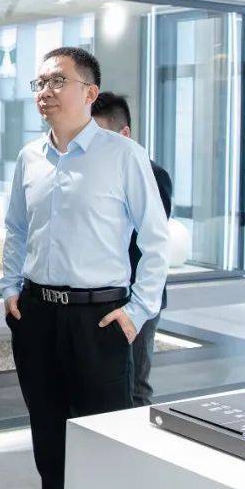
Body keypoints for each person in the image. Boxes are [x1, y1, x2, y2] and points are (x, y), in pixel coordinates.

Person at [0, 48, 169, 489]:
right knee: (49, 449)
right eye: (39, 83)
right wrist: (10, 288)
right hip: (37, 316)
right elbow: (16, 229)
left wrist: (138, 310)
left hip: (100, 320)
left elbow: (156, 240)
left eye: (57, 81)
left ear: (90, 92)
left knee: (103, 448)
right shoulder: (30, 157)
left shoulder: (124, 155)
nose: (45, 92)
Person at [91, 91, 173, 407]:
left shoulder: (152, 175)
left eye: (100, 135)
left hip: (138, 295)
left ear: (124, 133)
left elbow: (150, 240)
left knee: (135, 384)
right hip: (104, 294)